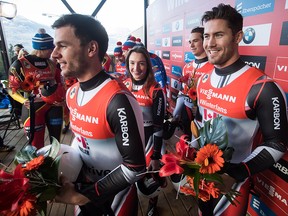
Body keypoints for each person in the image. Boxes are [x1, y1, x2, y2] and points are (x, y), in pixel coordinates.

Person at [192, 4, 288, 215]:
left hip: (234, 182)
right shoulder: (203, 79)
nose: (210, 43)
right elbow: (199, 123)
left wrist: (236, 173)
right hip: (203, 175)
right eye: (207, 36)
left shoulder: (263, 87)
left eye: (218, 35)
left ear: (237, 37)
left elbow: (278, 143)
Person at [51, 14, 146, 216]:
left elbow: (135, 168)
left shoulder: (117, 100)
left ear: (92, 49)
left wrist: (83, 196)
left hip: (115, 198)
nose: (54, 54)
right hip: (83, 192)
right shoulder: (72, 93)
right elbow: (83, 141)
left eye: (63, 46)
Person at [124, 46, 167, 216]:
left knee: (151, 177)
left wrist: (156, 155)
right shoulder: (124, 85)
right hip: (129, 139)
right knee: (129, 177)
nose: (136, 68)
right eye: (132, 63)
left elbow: (158, 127)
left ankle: (152, 203)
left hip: (149, 142)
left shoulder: (155, 90)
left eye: (141, 64)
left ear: (148, 65)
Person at [8, 28, 64, 149]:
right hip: (33, 108)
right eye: (50, 49)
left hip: (54, 106)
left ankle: (55, 166)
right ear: (42, 48)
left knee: (56, 144)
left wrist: (61, 99)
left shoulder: (51, 64)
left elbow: (60, 84)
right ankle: (38, 167)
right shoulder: (20, 64)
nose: (53, 52)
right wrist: (23, 100)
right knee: (35, 146)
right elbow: (11, 89)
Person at [172, 27, 213, 138]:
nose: (191, 45)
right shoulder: (187, 67)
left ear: (205, 41)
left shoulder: (214, 68)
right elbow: (183, 91)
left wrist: (200, 108)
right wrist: (177, 110)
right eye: (190, 42)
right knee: (187, 142)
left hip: (205, 116)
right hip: (186, 112)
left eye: (195, 41)